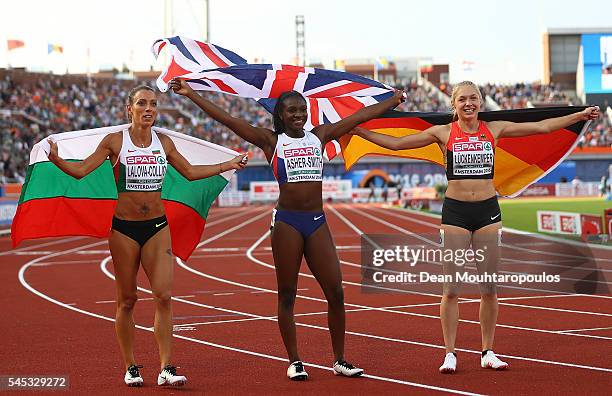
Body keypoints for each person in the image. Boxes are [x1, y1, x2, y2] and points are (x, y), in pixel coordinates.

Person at [351, 81, 599, 374]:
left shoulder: (494, 129)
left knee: (489, 287)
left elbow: (543, 128)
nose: (468, 103)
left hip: (487, 213)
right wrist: (357, 130)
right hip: (456, 213)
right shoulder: (442, 133)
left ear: (480, 102)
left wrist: (579, 116)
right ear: (454, 105)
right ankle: (450, 353)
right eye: (462, 100)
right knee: (452, 288)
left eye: (473, 98)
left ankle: (487, 351)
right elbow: (395, 144)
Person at [169, 77, 404, 380]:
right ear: (280, 114)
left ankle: (340, 359)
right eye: (292, 111)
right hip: (288, 223)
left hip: (317, 221)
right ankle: (295, 360)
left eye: (302, 110)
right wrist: (191, 94)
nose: (298, 115)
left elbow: (358, 117)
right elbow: (228, 119)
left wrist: (393, 102)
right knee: (287, 295)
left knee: (336, 290)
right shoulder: (271, 141)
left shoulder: (318, 136)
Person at [46, 85, 248, 387]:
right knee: (127, 300)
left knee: (164, 296)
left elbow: (190, 172)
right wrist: (57, 160)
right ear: (130, 109)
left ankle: (166, 367)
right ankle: (130, 366)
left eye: (153, 103)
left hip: (157, 227)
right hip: (124, 230)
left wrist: (228, 164)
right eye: (142, 103)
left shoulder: (163, 142)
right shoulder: (115, 141)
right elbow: (81, 172)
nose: (149, 108)